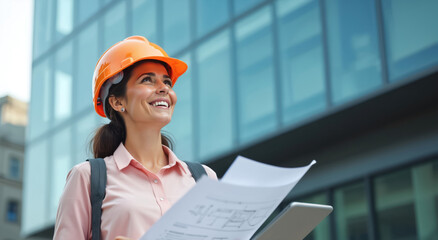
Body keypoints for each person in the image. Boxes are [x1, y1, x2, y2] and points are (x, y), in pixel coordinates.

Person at [53, 36, 217, 240]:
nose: (164, 88)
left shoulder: (203, 178)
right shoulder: (87, 178)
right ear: (117, 101)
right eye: (147, 79)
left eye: (167, 81)